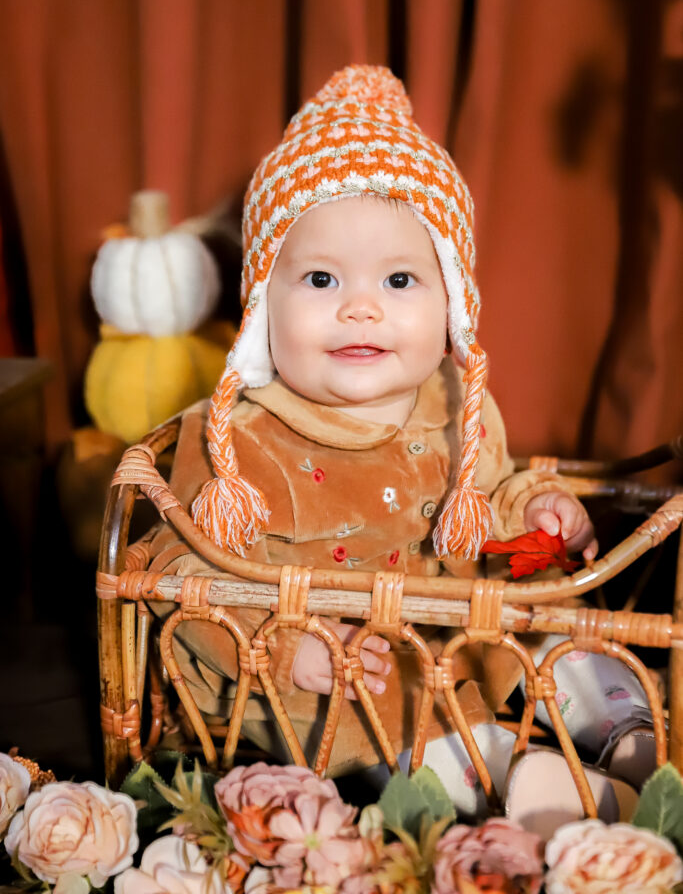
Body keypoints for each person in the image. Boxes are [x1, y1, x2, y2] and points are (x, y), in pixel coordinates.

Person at [148, 66, 655, 824]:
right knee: (404, 722)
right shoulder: (239, 438)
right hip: (341, 674)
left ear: (451, 300)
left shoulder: (458, 404)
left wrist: (538, 511)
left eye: (398, 280)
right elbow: (179, 569)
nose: (358, 308)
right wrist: (291, 648)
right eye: (319, 279)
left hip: (464, 629)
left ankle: (623, 733)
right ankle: (529, 785)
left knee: (549, 620)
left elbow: (492, 493)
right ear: (260, 307)